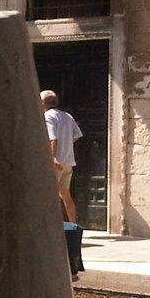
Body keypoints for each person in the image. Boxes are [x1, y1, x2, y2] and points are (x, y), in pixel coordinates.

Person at [41, 89, 83, 224]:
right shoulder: (67, 116)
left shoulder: (48, 116)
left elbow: (53, 139)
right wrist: (66, 144)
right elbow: (77, 134)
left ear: (43, 103)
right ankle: (73, 225)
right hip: (67, 162)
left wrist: (52, 158)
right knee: (66, 195)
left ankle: (50, 227)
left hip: (56, 163)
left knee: (48, 196)